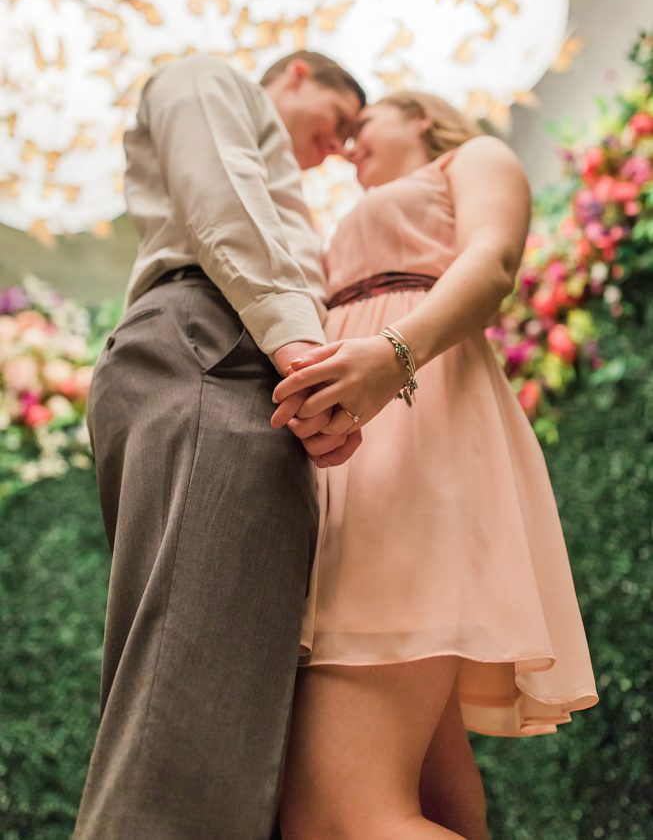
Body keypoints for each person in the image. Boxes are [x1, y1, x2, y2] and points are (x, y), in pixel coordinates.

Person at [271, 93, 599, 839]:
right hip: (356, 451)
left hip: (412, 423)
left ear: (418, 115)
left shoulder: (469, 159)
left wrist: (392, 356)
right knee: (435, 806)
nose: (350, 147)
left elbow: (491, 262)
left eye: (362, 127)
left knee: (337, 816)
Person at [74, 50, 366, 840]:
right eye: (337, 123)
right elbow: (220, 192)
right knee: (191, 706)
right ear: (298, 71)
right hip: (222, 342)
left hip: (223, 350)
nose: (335, 149)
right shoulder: (207, 76)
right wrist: (301, 351)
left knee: (202, 684)